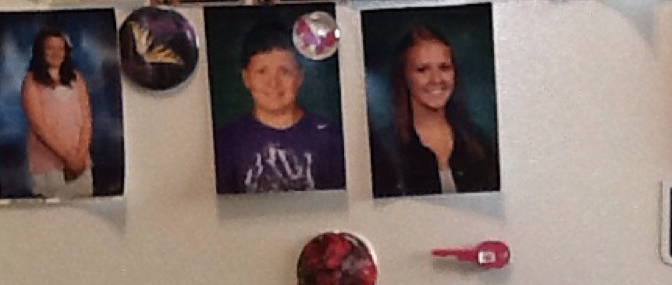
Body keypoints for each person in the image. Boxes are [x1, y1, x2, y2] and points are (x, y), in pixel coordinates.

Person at [214, 22, 345, 194]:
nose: (273, 83)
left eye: (284, 71)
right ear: (246, 78)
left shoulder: (332, 139)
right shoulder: (226, 143)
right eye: (262, 72)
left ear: (300, 77)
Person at [370, 26, 499, 198]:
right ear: (404, 76)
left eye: (444, 67)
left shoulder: (479, 142)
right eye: (422, 70)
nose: (436, 79)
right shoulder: (383, 150)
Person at [21, 28, 94, 199]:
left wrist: (80, 156)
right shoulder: (31, 81)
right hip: (48, 164)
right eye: (50, 48)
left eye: (60, 48)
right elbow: (39, 127)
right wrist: (67, 157)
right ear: (41, 51)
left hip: (80, 164)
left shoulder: (77, 79)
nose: (56, 53)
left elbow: (86, 120)